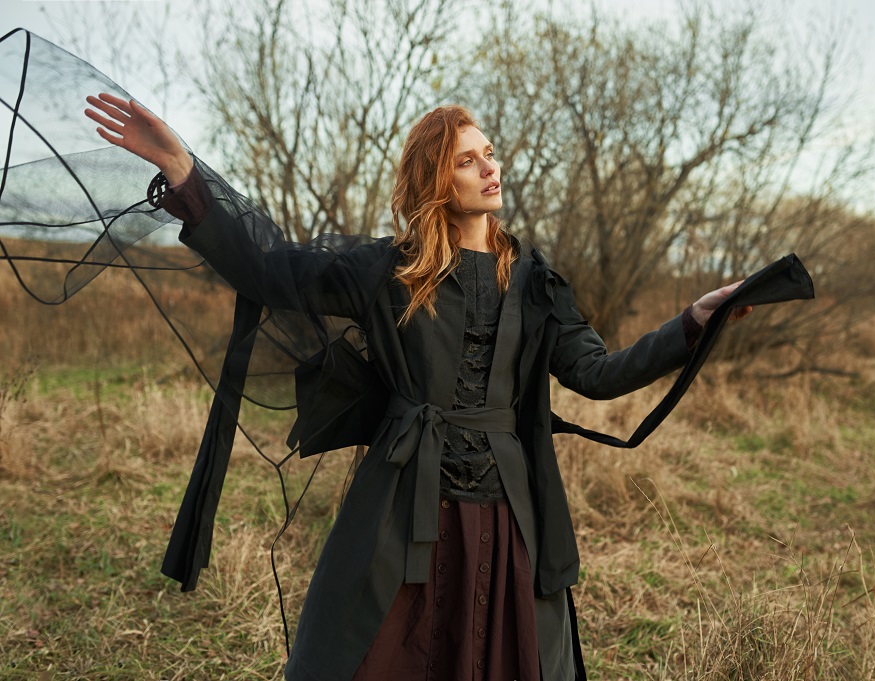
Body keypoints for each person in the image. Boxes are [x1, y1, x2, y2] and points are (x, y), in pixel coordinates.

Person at [83, 92, 754, 681]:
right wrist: (183, 170)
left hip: (506, 518)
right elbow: (265, 269)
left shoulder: (536, 281)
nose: (491, 167)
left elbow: (600, 374)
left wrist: (693, 321)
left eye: (489, 153)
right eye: (468, 159)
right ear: (436, 179)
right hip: (402, 509)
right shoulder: (388, 272)